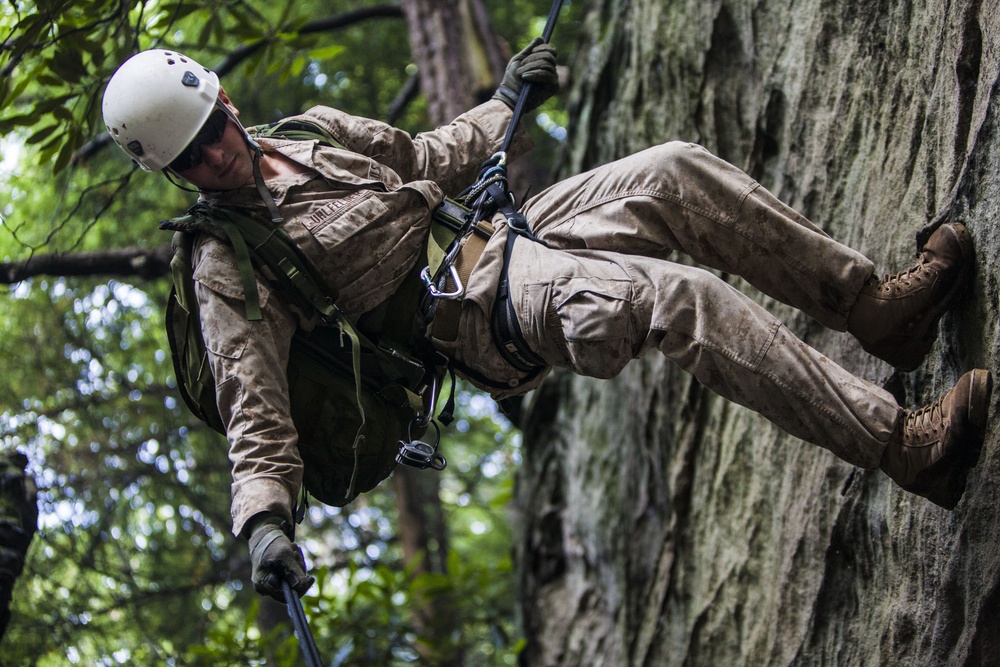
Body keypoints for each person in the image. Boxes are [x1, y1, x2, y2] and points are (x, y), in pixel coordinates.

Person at [102, 44, 992, 602]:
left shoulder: (304, 127)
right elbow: (254, 411)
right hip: (471, 318)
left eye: (213, 132)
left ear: (220, 100)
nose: (218, 159)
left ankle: (879, 313)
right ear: (174, 175)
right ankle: (908, 449)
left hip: (501, 231)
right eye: (194, 162)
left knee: (674, 170)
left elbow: (424, 159)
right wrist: (265, 523)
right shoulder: (226, 260)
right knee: (675, 298)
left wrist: (506, 99)